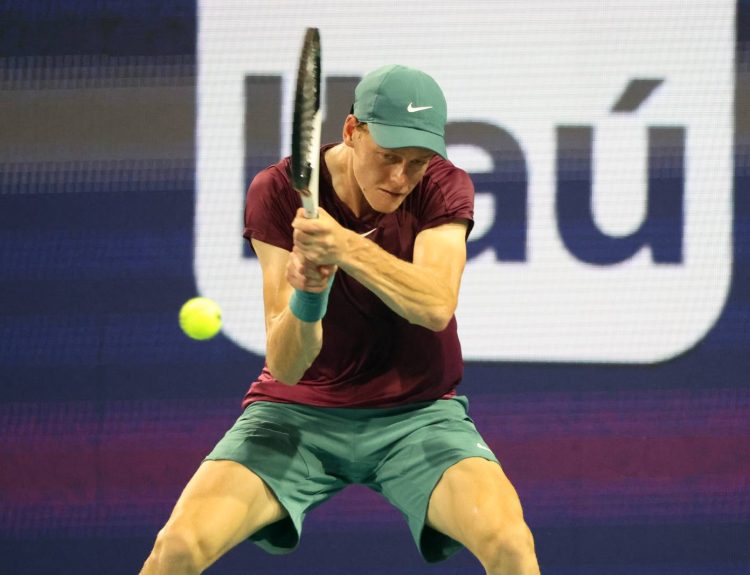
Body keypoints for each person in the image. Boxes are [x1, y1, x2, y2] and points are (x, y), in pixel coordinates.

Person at [140, 64, 540, 575]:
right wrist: (309, 295)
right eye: (389, 157)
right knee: (177, 548)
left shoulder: (444, 185)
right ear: (352, 131)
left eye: (417, 162)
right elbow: (287, 365)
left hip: (417, 417)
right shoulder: (276, 190)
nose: (401, 178)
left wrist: (345, 247)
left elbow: (435, 305)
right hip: (294, 416)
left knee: (510, 546)